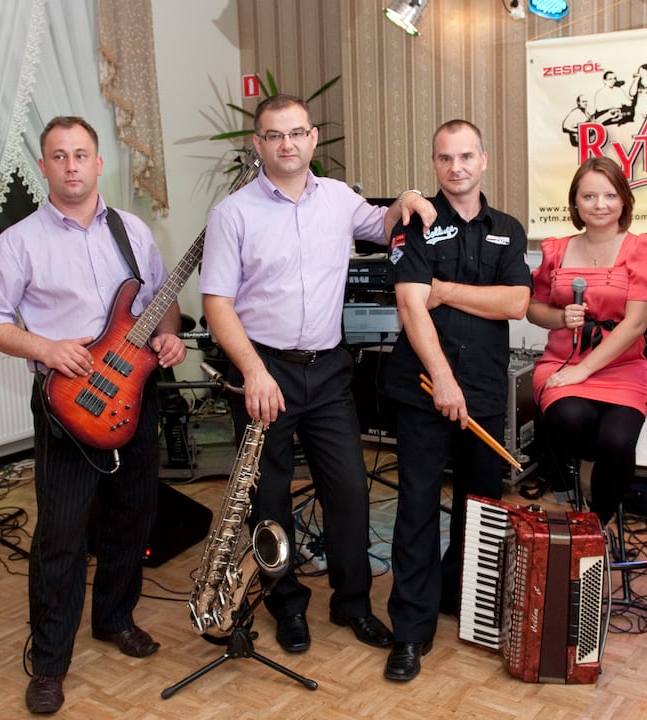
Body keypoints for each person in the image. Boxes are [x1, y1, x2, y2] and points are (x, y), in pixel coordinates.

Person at [198, 94, 435, 659]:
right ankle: (286, 605)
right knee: (270, 498)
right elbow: (216, 304)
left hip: (328, 369)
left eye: (297, 133)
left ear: (312, 139)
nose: (287, 144)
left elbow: (383, 225)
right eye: (275, 135)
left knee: (349, 490)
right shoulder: (232, 214)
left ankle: (352, 603)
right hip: (265, 369)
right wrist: (253, 371)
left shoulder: (338, 198)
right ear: (258, 144)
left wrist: (406, 197)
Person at [0, 116, 188, 714]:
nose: (71, 165)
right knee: (61, 535)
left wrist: (169, 335)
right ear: (43, 167)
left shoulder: (131, 231)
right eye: (59, 156)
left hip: (133, 396)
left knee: (132, 518)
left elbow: (159, 300)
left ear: (98, 163)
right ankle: (49, 664)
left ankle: (114, 618)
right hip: (68, 406)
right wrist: (45, 348)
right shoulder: (18, 242)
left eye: (81, 154)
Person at [380, 119, 532, 682]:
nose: (456, 167)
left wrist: (444, 291)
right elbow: (411, 306)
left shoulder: (508, 230)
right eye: (445, 158)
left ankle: (465, 605)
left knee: (481, 508)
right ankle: (410, 630)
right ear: (435, 163)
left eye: (466, 156)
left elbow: (516, 303)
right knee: (417, 508)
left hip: (486, 389)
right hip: (423, 389)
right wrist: (442, 378)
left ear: (483, 160)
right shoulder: (415, 224)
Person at [526, 156, 647, 522]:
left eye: (609, 195)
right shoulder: (556, 249)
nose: (600, 205)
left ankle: (597, 523)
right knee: (569, 418)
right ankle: (573, 476)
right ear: (575, 203)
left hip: (622, 368)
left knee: (617, 442)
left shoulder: (643, 248)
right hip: (562, 361)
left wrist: (583, 371)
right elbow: (533, 309)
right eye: (589, 196)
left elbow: (635, 324)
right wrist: (560, 317)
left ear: (624, 200)